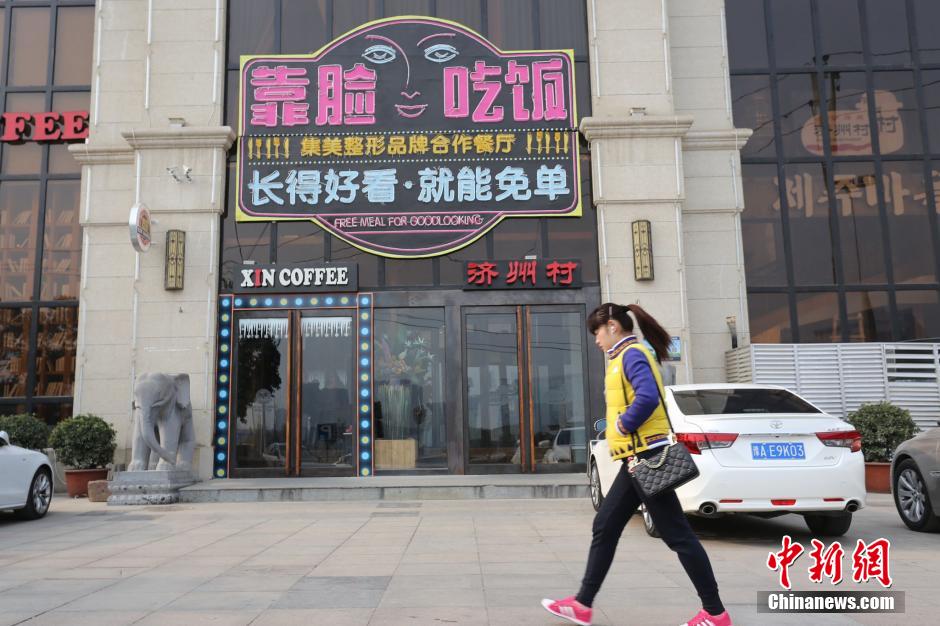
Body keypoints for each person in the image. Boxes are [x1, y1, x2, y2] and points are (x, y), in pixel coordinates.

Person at [541, 303, 732, 626]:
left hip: (646, 458)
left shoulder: (632, 355)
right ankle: (583, 604)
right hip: (636, 457)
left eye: (597, 332)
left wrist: (622, 424)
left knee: (678, 535)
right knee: (606, 525)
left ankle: (715, 613)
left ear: (612, 326)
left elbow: (647, 397)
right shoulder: (624, 356)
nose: (596, 339)